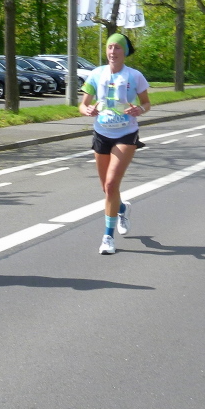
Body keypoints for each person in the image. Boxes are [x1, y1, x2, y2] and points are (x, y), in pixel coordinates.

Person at [79, 33, 151, 255]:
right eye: (110, 47)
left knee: (111, 185)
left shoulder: (135, 76)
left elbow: (147, 103)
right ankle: (121, 208)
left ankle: (108, 237)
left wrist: (140, 109)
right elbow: (82, 105)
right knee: (106, 188)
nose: (113, 52)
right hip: (102, 133)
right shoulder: (96, 74)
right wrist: (87, 110)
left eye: (117, 48)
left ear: (124, 52)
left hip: (126, 134)